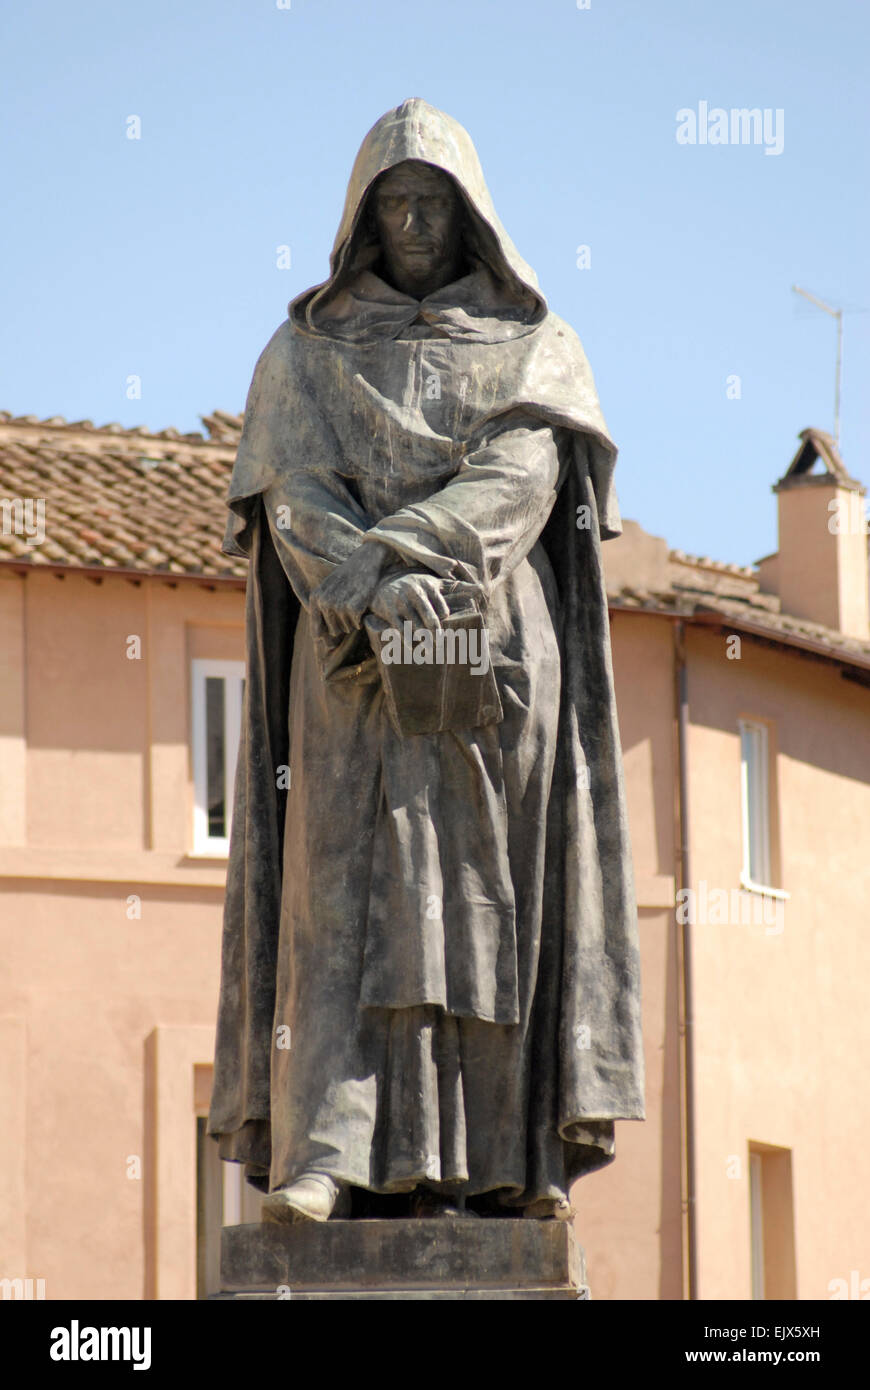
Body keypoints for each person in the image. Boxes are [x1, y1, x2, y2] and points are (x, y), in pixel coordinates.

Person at [207, 98, 644, 1223]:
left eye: (430, 202)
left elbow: (523, 477)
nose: (410, 221)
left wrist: (405, 561)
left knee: (489, 902)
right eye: (391, 202)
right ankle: (327, 1152)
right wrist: (365, 583)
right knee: (335, 901)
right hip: (349, 656)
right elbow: (289, 491)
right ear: (361, 216)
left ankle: (504, 1159)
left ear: (471, 216)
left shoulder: (538, 347)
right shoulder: (302, 352)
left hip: (490, 655)